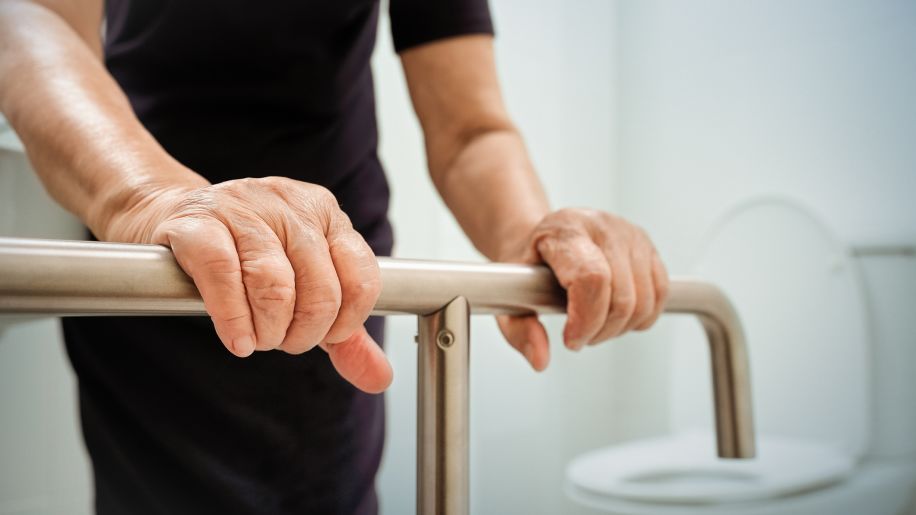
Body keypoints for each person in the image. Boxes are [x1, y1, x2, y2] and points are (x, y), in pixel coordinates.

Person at [0, 0, 669, 513]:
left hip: (327, 278)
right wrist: (149, 195)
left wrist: (524, 230)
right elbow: (36, 20)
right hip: (148, 249)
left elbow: (470, 128)